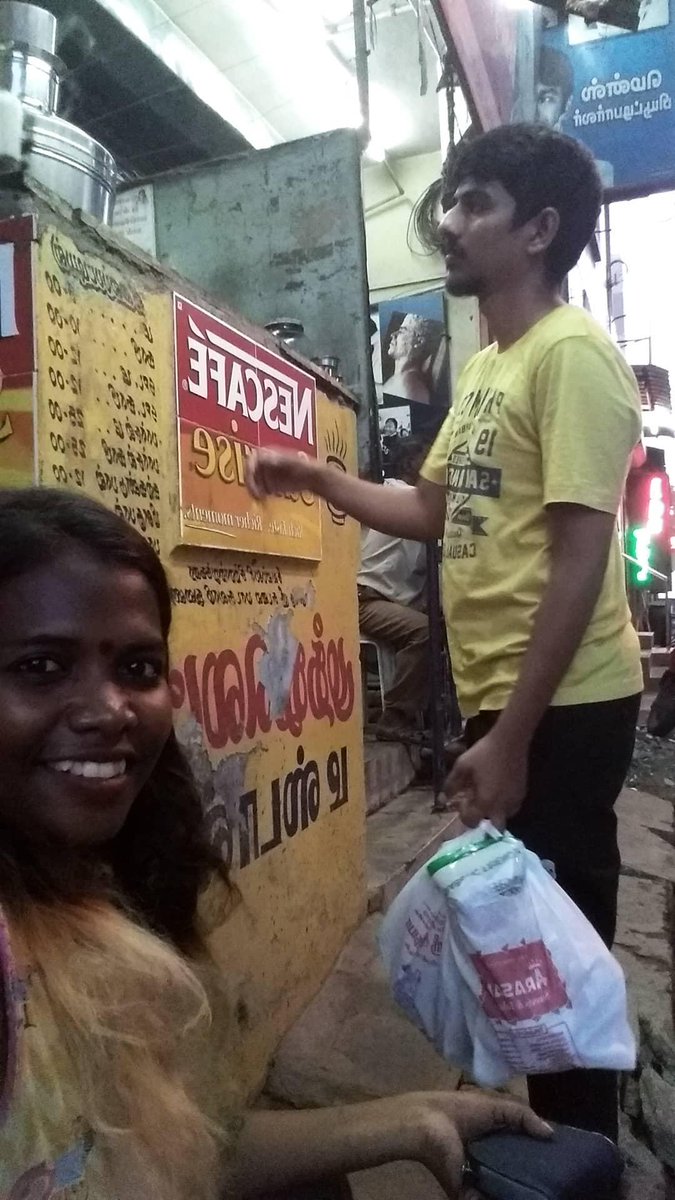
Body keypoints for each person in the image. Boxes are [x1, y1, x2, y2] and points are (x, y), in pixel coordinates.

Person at [247, 123, 643, 1144]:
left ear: (540, 230)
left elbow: (579, 559)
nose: (450, 223)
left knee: (556, 949)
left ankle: (583, 1151)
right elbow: (430, 512)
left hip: (563, 703)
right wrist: (319, 479)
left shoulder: (574, 360)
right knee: (523, 935)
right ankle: (557, 1135)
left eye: (476, 205)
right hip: (507, 695)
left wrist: (511, 736)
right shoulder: (487, 370)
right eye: (451, 200)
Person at [0, 486, 551, 1200]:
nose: (109, 711)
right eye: (41, 668)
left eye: (137, 669)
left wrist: (416, 1120)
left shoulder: (114, 882)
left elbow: (178, 1151)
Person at [358, 437, 430, 738]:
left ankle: (409, 709)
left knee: (436, 624)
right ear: (412, 463)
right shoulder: (407, 498)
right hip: (365, 600)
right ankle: (397, 718)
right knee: (425, 631)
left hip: (380, 599)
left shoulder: (397, 497)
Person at [535, 45, 615, 187]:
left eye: (547, 99)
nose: (535, 110)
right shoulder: (501, 173)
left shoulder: (595, 174)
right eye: (529, 97)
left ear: (566, 105)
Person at [383, 313, 437, 405]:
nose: (393, 335)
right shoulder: (402, 379)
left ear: (419, 342)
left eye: (401, 331)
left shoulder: (411, 387)